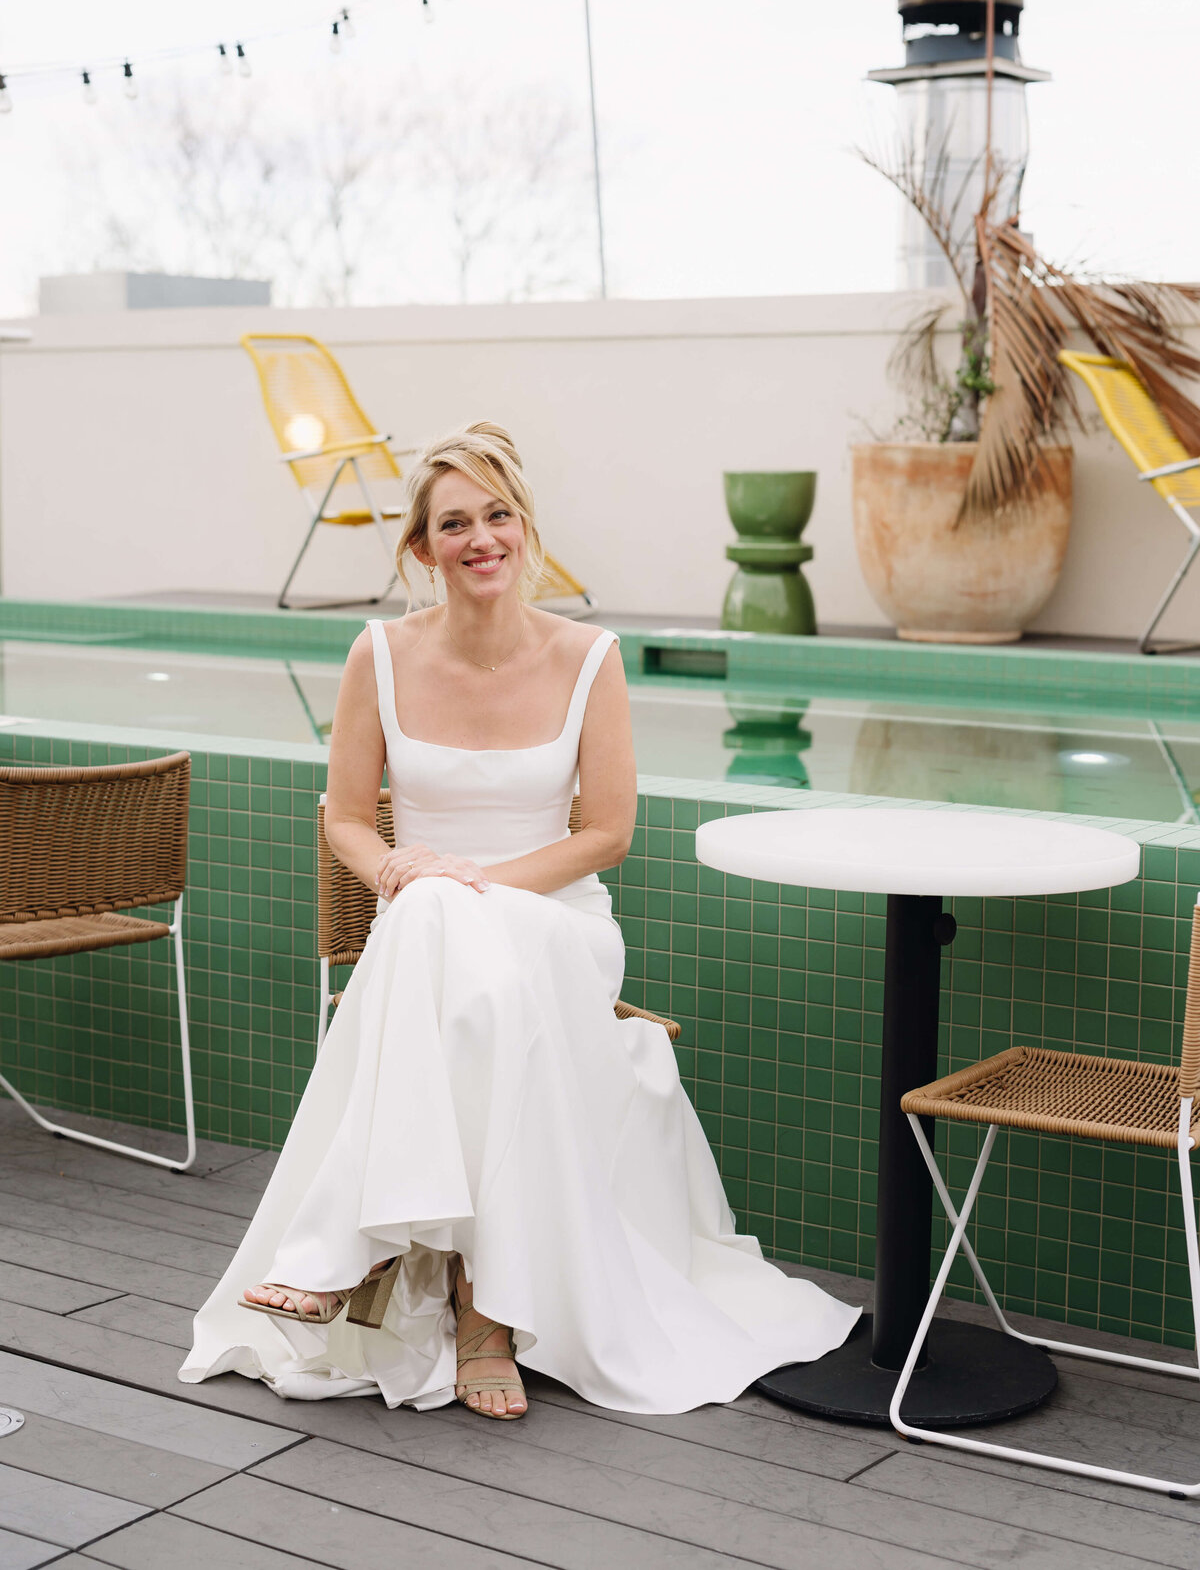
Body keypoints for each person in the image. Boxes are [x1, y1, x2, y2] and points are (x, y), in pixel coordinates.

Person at [179, 421, 857, 1419]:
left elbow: (608, 835)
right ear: (422, 549)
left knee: (442, 924)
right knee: (436, 933)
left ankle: (340, 1253)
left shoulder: (589, 657)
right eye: (455, 522)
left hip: (555, 916)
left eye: (498, 515)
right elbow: (347, 821)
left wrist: (470, 884)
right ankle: (480, 1310)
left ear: (525, 530)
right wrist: (406, 872)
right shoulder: (378, 654)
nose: (480, 537)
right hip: (430, 929)